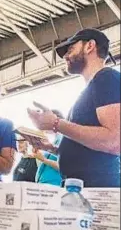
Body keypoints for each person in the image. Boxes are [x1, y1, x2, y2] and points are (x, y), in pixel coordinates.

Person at [26, 28, 120, 187]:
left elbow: (115, 140)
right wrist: (53, 148)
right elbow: (88, 149)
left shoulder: (106, 78)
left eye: (70, 49)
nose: (66, 56)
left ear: (90, 46)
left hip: (97, 190)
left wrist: (56, 123)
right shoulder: (92, 87)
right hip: (81, 187)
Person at [34, 110, 63, 186]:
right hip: (42, 184)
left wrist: (44, 160)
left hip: (54, 185)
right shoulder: (53, 141)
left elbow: (64, 167)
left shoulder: (63, 140)